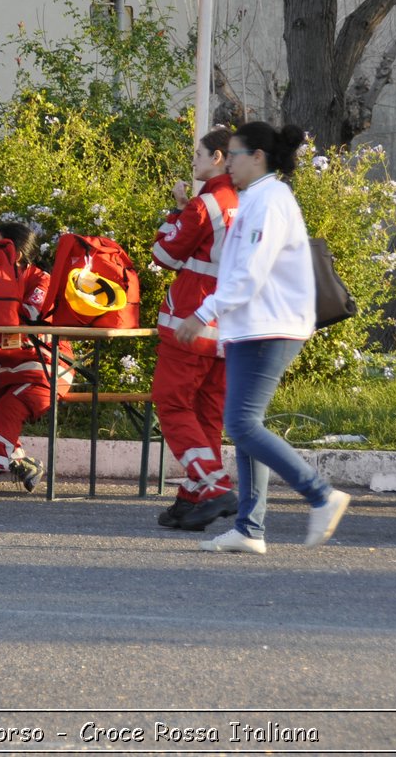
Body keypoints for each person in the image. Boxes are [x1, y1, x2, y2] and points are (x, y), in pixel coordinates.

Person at [176, 122, 352, 553]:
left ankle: (320, 495)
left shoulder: (270, 201)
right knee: (243, 427)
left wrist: (203, 313)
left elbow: (249, 273)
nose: (227, 161)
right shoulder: (256, 198)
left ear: (258, 157)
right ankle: (249, 529)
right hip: (253, 327)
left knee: (241, 423)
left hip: (270, 327)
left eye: (234, 154)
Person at [150, 126, 240, 530]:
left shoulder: (206, 204)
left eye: (199, 154)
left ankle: (214, 486)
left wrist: (176, 212)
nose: (194, 160)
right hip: (230, 325)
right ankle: (192, 500)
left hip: (191, 320)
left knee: (171, 404)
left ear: (218, 157)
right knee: (206, 415)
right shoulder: (245, 200)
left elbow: (164, 255)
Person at [0, 220, 69, 497]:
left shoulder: (41, 279)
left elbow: (29, 315)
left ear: (15, 254)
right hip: (0, 361)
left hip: (43, 364)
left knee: (9, 407)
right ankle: (22, 463)